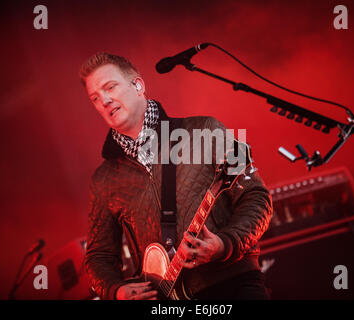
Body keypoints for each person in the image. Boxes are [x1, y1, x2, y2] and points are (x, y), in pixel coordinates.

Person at [80, 52, 273, 300]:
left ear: (138, 85)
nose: (104, 100)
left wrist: (225, 244)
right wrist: (115, 291)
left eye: (110, 87)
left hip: (234, 285)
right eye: (95, 98)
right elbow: (99, 256)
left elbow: (257, 198)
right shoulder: (104, 179)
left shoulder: (206, 129)